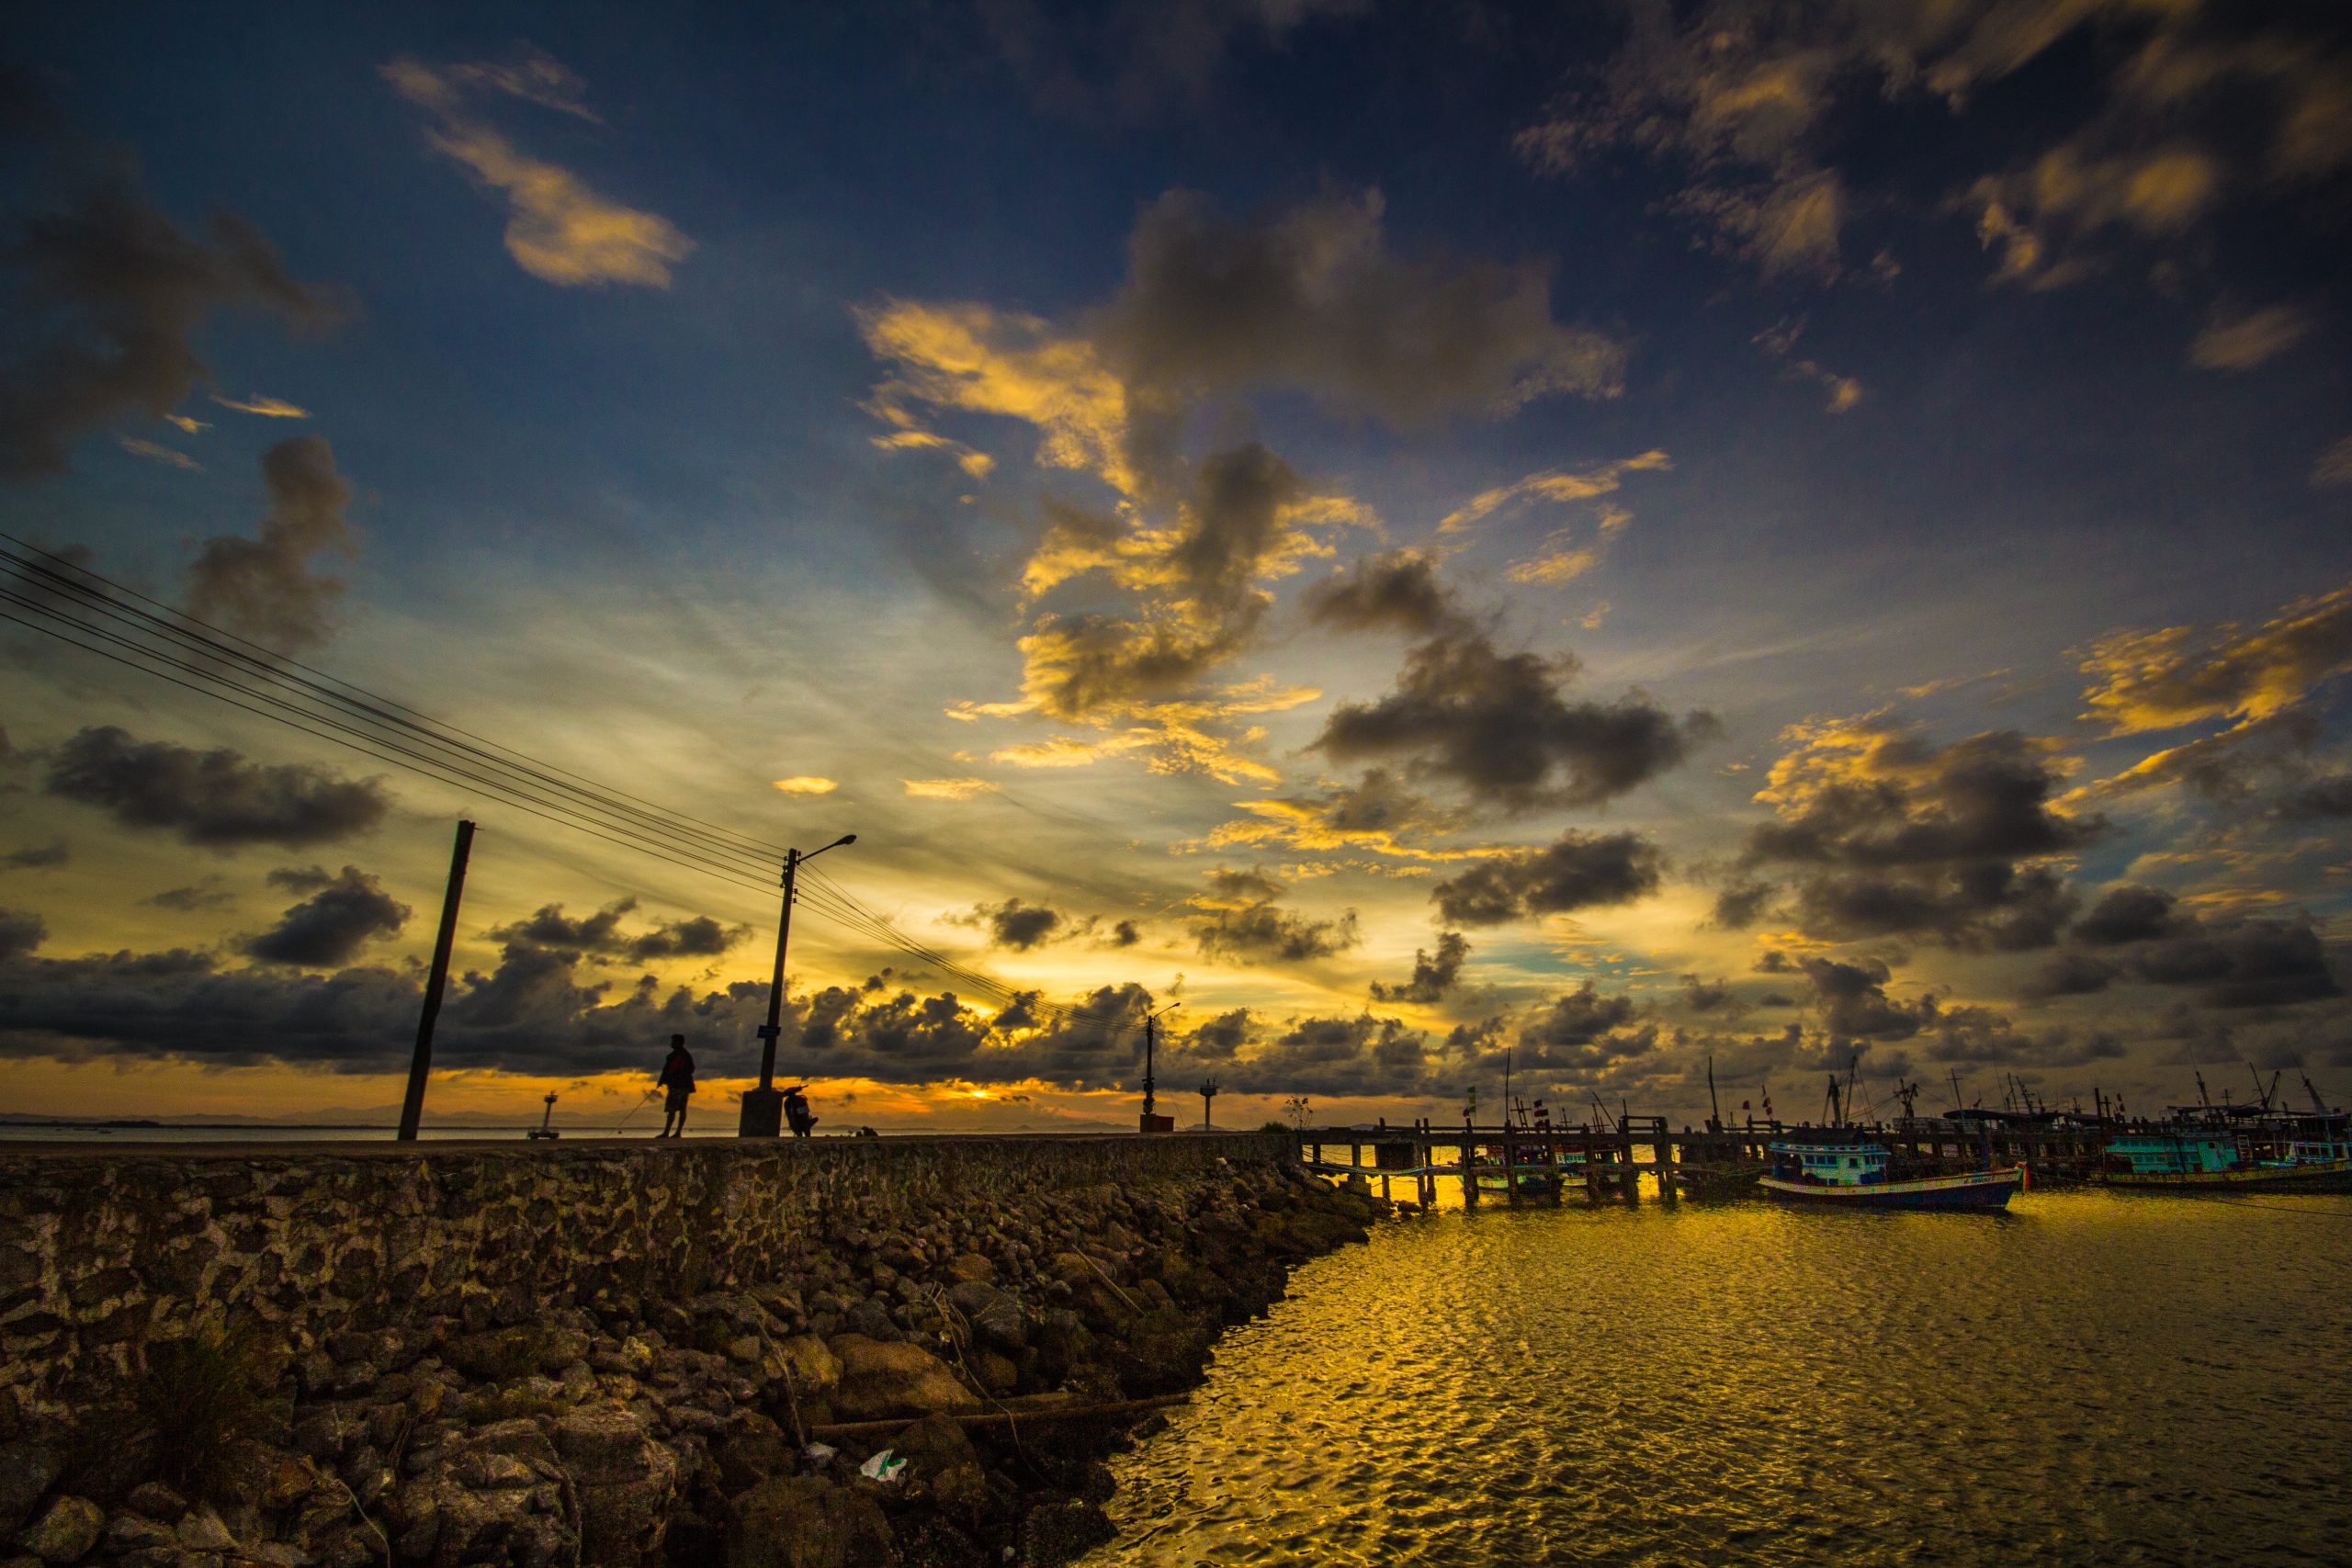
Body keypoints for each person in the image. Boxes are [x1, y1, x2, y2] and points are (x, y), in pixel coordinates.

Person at [657, 1035, 695, 1137]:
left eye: (673, 1041)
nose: (671, 1043)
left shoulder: (676, 1056)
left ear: (678, 1042)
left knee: (671, 1109)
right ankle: (677, 1132)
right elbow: (692, 1069)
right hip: (685, 1085)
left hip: (676, 1085)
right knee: (682, 1109)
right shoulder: (686, 1055)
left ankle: (667, 1133)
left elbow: (667, 1070)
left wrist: (662, 1080)